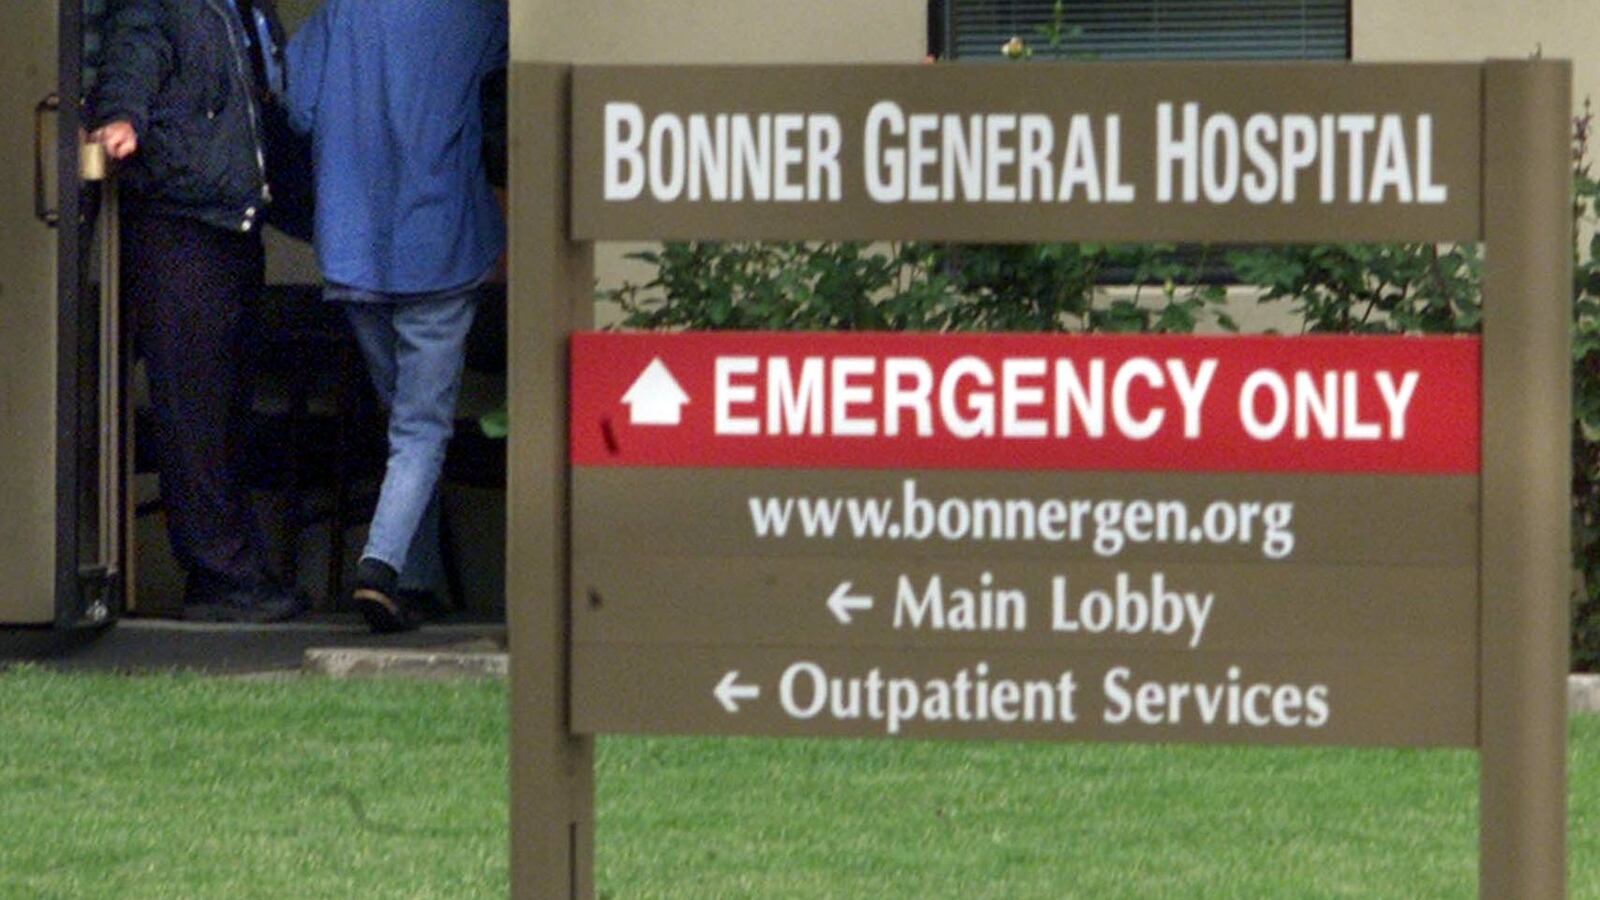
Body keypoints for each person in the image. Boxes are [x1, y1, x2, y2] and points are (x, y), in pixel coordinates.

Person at [286, 0, 508, 632]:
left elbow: (298, 108)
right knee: (420, 431)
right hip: (437, 242)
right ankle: (380, 569)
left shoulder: (341, 12)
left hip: (354, 245)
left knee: (404, 431)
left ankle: (416, 581)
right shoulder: (476, 15)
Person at [90, 0, 308, 623]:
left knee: (224, 411)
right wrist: (120, 117)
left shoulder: (246, 11)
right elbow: (132, 59)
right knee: (197, 413)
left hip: (231, 223)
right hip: (181, 223)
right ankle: (221, 577)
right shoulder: (165, 4)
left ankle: (233, 571)